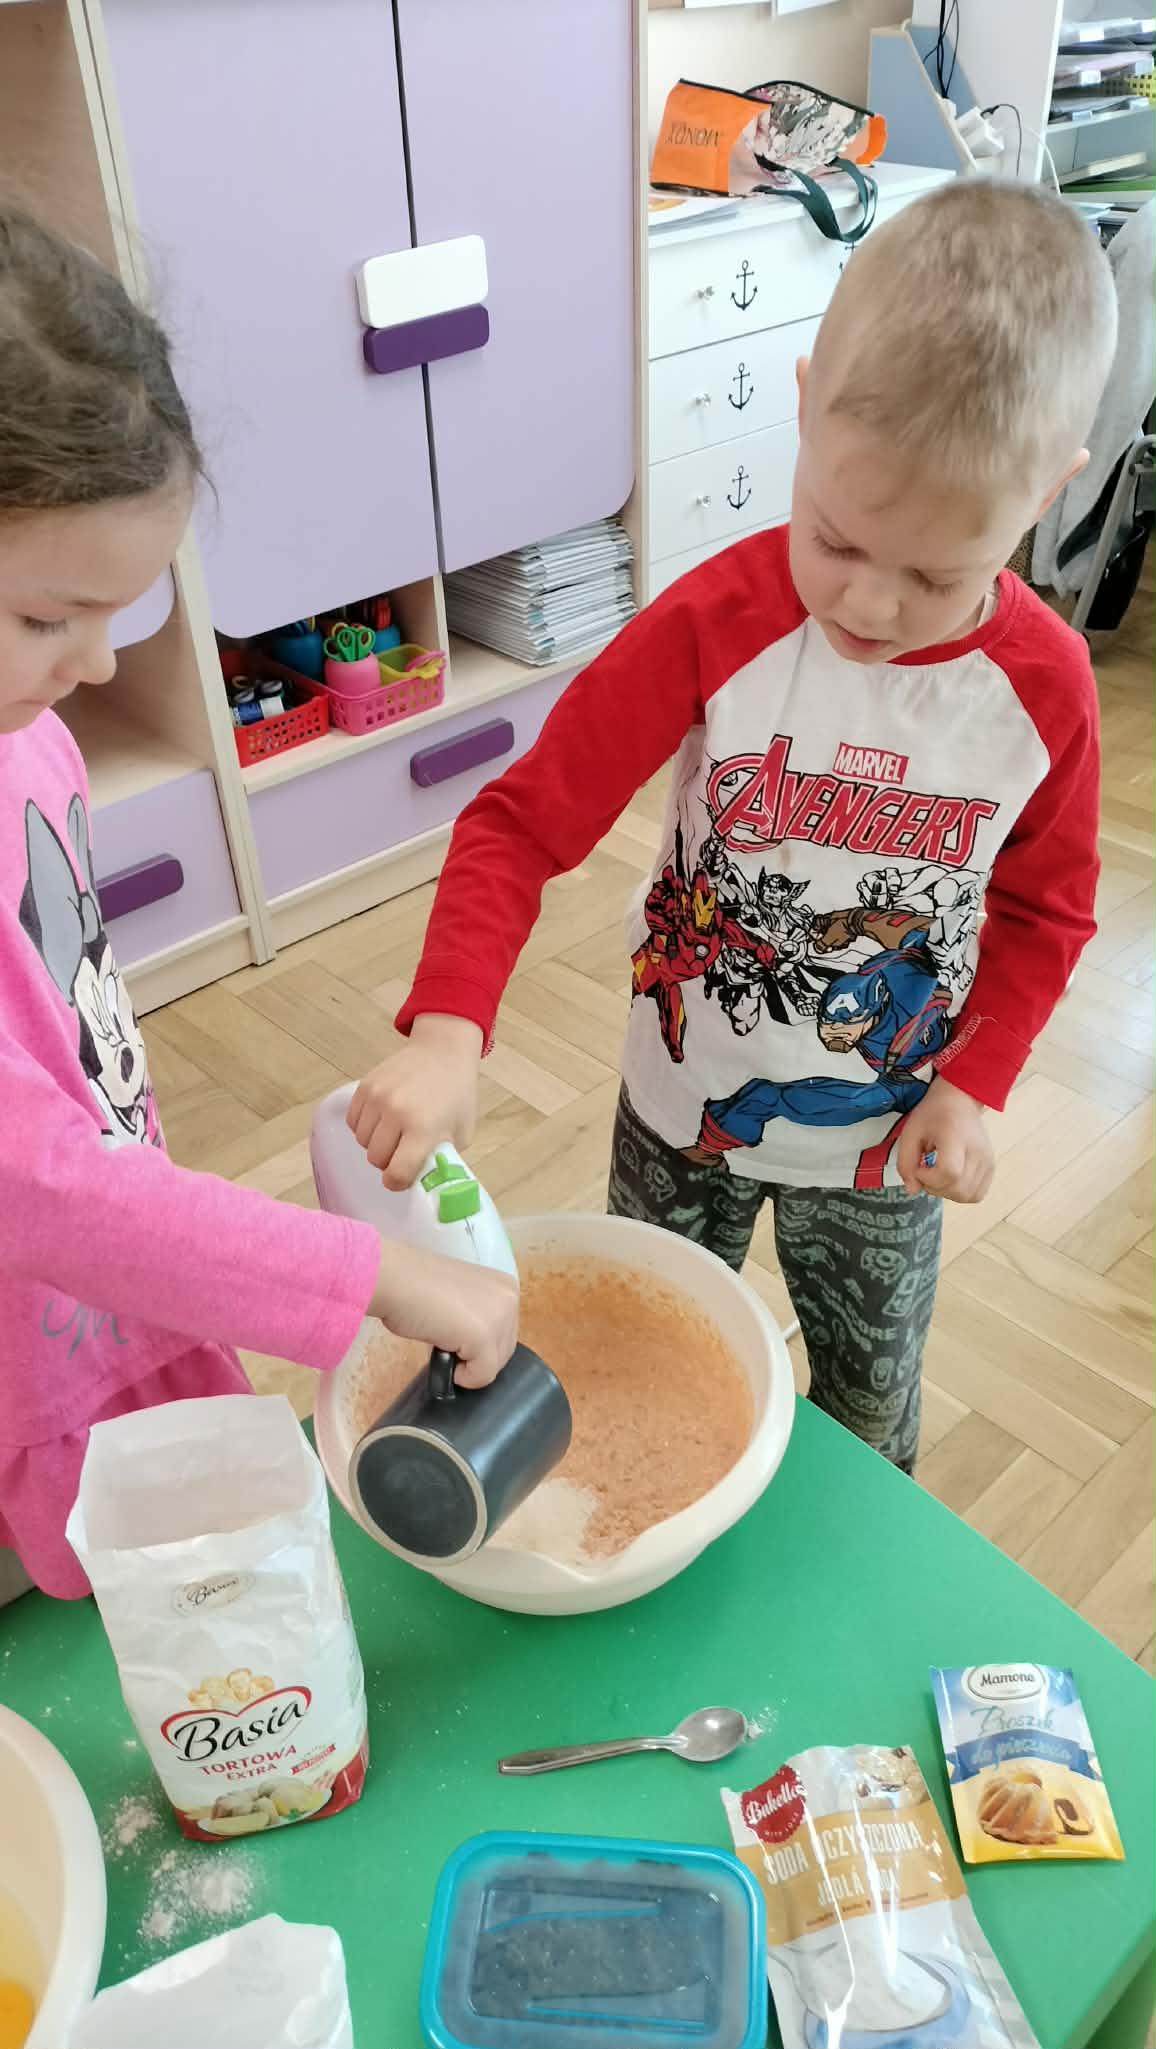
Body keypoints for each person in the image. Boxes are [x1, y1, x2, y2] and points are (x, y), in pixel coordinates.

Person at [349, 181, 1117, 1475]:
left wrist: (973, 1085)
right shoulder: (719, 619)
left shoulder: (1045, 693)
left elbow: (1049, 910)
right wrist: (446, 1031)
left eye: (937, 575)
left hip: (884, 1151)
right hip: (680, 1110)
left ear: (1048, 491)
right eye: (837, 540)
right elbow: (521, 824)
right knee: (632, 1380)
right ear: (804, 406)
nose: (870, 605)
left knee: (868, 1429)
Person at [0, 208, 518, 1602]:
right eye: (49, 618)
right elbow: (35, 1187)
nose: (100, 666)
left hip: (95, 1296)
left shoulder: (26, 732)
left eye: (119, 611)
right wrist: (372, 1279)